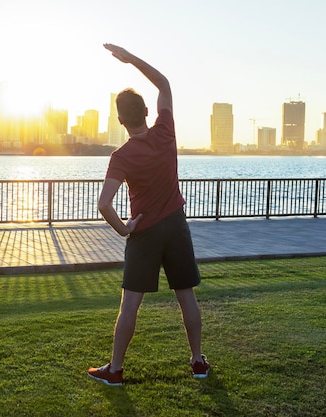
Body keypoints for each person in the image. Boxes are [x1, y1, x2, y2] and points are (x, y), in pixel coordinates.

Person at [87, 44, 210, 386]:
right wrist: (131, 60)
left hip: (144, 232)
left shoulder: (121, 156)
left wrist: (125, 230)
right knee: (186, 297)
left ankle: (114, 370)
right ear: (146, 110)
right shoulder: (165, 131)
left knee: (130, 306)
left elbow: (103, 204)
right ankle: (198, 362)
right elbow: (165, 84)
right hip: (175, 225)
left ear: (121, 119)